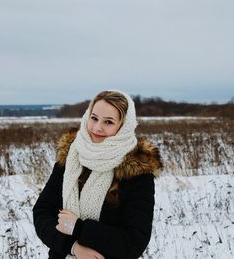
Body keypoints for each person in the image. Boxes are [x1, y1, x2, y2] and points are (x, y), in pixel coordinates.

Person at [33, 90, 163, 259]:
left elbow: (134, 242)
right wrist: (73, 248)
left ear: (124, 126)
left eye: (108, 122)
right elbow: (42, 212)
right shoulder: (71, 157)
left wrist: (78, 228)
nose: (97, 127)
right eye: (94, 118)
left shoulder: (137, 171)